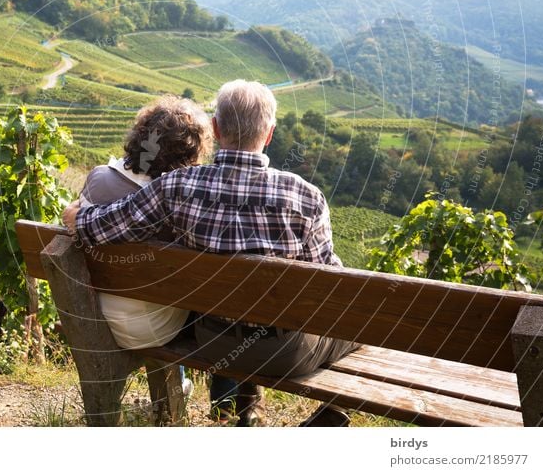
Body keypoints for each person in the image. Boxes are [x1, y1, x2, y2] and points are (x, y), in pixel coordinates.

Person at [63, 79, 357, 427]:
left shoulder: (175, 187)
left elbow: (99, 226)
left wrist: (76, 215)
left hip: (212, 341)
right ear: (270, 133)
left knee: (238, 301)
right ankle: (332, 413)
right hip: (284, 354)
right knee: (356, 321)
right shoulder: (306, 197)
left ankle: (246, 407)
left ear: (216, 129)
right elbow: (333, 286)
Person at [77, 95, 213, 396]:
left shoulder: (98, 178)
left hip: (93, 315)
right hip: (156, 328)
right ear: (190, 155)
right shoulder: (180, 204)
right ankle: (196, 391)